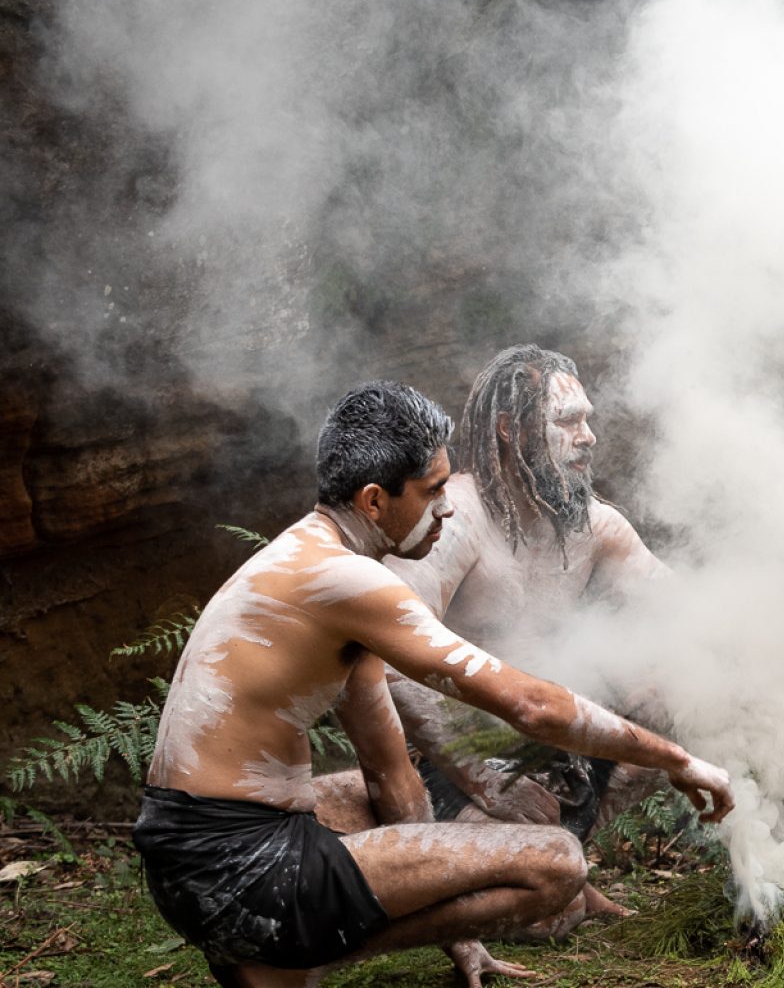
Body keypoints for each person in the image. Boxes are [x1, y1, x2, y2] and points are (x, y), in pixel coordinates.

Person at [131, 381, 732, 988]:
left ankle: (271, 948)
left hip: (192, 862)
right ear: (373, 501)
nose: (448, 507)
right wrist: (678, 760)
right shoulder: (347, 582)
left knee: (365, 789)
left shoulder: (307, 559)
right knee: (557, 864)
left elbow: (389, 775)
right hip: (242, 873)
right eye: (433, 489)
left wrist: (460, 941)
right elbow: (531, 705)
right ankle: (289, 958)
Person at [315, 347, 669, 858]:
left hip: (561, 739)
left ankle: (573, 844)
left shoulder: (596, 526)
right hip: (465, 753)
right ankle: (510, 849)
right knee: (533, 901)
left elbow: (688, 618)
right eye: (568, 421)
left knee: (684, 691)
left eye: (587, 420)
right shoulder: (455, 519)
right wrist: (485, 780)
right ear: (509, 428)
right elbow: (387, 658)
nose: (587, 436)